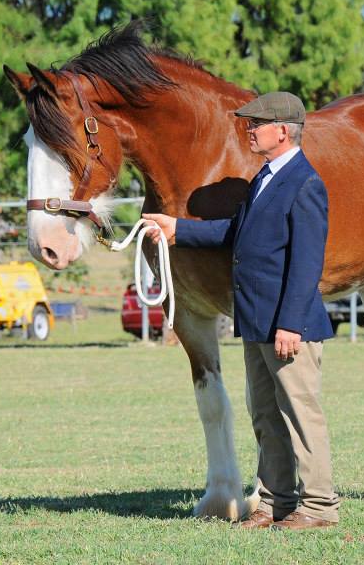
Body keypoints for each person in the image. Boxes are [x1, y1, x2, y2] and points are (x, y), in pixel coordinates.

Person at [144, 92, 339, 531]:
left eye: (257, 124)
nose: (249, 130)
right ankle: (275, 503)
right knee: (266, 415)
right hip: (256, 321)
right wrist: (178, 230)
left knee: (301, 415)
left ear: (282, 131)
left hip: (288, 325)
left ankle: (320, 507)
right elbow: (237, 232)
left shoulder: (305, 183)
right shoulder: (265, 178)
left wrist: (290, 323)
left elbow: (308, 263)